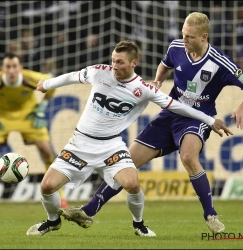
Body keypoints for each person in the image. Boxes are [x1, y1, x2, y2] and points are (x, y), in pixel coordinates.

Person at [58, 12, 243, 234]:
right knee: (126, 163)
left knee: (187, 156)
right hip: (169, 116)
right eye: (183, 35)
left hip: (197, 119)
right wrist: (157, 79)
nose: (184, 41)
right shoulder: (176, 47)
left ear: (204, 37)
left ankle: (210, 214)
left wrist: (240, 107)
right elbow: (165, 65)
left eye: (190, 37)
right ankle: (88, 212)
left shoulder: (220, 62)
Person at [0, 53, 69, 210]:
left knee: (46, 151)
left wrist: (41, 108)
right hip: (2, 116)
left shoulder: (30, 78)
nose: (11, 70)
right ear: (2, 69)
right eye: (8, 67)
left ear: (20, 68)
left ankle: (61, 197)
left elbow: (50, 84)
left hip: (28, 115)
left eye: (14, 67)